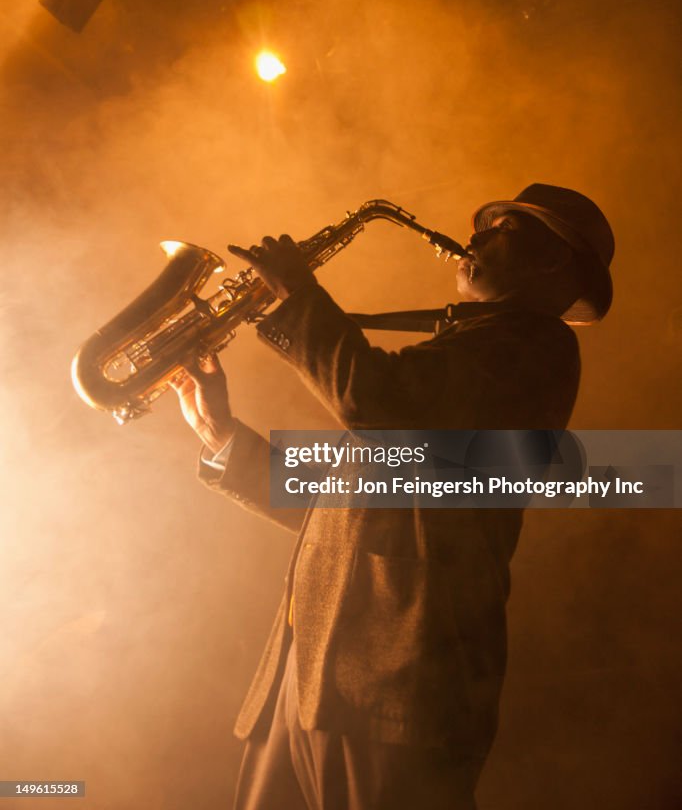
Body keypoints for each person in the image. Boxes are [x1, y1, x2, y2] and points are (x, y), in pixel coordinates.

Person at [172, 184, 614, 810]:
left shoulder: (535, 347)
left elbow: (379, 402)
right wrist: (224, 438)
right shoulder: (470, 350)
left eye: (502, 230)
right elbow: (350, 510)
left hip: (396, 686)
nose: (477, 238)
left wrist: (300, 297)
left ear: (551, 261)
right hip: (313, 679)